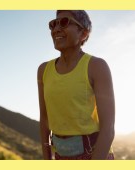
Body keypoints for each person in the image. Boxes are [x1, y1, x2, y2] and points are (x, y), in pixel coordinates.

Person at [37, 10, 115, 160]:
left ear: (83, 34)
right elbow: (44, 119)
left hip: (95, 155)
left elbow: (108, 129)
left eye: (64, 22)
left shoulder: (97, 66)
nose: (56, 29)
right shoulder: (43, 70)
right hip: (60, 157)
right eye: (53, 24)